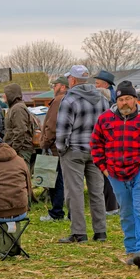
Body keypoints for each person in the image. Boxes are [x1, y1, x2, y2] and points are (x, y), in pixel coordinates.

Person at [91, 81, 140, 269]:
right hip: (116, 174)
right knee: (126, 212)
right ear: (116, 101)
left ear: (135, 99)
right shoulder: (105, 119)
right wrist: (104, 168)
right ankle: (132, 251)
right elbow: (95, 145)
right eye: (120, 99)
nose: (124, 103)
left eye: (128, 98)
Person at [56, 65, 110, 243]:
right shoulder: (102, 99)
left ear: (72, 80)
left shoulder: (69, 100)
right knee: (97, 192)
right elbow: (106, 127)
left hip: (74, 150)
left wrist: (61, 149)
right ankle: (100, 231)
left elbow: (63, 130)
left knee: (75, 192)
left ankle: (79, 232)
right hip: (95, 151)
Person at [39, 76, 68, 222]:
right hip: (65, 146)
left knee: (56, 181)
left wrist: (44, 142)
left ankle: (57, 212)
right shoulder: (69, 99)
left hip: (54, 147)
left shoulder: (58, 101)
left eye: (55, 85)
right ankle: (69, 212)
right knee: (67, 180)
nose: (53, 88)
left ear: (62, 86)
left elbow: (51, 125)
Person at [93, 72, 120, 216]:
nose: (95, 86)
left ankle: (111, 206)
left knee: (107, 174)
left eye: (97, 83)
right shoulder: (113, 98)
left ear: (105, 84)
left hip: (107, 143)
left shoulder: (107, 99)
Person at [3, 84, 34, 168]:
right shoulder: (15, 108)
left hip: (21, 151)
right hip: (19, 150)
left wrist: (14, 149)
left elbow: (21, 131)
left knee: (20, 178)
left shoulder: (17, 109)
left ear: (11, 94)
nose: (3, 95)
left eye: (6, 93)